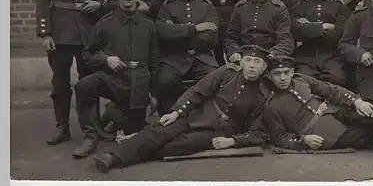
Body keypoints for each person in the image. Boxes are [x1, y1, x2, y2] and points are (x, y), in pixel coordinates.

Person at [92, 45, 272, 173]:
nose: (251, 65)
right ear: (241, 63)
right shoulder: (227, 72)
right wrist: (177, 111)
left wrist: (233, 141)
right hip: (195, 115)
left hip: (215, 133)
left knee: (177, 146)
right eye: (248, 60)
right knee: (162, 132)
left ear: (264, 68)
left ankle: (135, 142)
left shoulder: (264, 95)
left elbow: (259, 132)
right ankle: (111, 157)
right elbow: (196, 91)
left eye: (257, 62)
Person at [36, 0, 108, 146]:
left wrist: (98, 4)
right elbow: (42, 1)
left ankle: (93, 127)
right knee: (60, 83)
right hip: (59, 33)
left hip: (86, 32)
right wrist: (46, 34)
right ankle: (62, 127)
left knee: (89, 81)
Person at [72, 0, 161, 158]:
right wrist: (105, 59)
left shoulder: (148, 25)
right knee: (85, 85)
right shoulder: (105, 23)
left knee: (133, 129)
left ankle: (113, 116)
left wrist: (155, 93)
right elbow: (87, 54)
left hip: (138, 83)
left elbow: (155, 62)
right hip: (113, 79)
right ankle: (90, 136)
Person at [154, 0, 219, 115]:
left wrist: (177, 32)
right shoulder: (167, 8)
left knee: (213, 78)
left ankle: (205, 118)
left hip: (202, 57)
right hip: (174, 58)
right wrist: (194, 29)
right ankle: (167, 119)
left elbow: (211, 37)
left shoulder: (207, 6)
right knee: (164, 81)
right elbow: (162, 32)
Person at [291, 0, 352, 89]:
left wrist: (309, 27)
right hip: (306, 55)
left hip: (332, 54)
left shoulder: (339, 7)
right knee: (303, 80)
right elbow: (296, 31)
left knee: (337, 78)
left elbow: (339, 33)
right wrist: (325, 26)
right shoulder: (302, 6)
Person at [224, 0, 294, 63]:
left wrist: (272, 54)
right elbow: (230, 37)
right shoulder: (240, 7)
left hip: (269, 57)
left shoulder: (278, 8)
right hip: (244, 58)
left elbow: (286, 41)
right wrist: (234, 51)